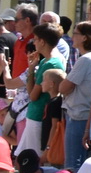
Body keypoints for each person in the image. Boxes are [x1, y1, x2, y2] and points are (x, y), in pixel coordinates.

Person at [58, 22, 91, 171]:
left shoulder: (86, 59)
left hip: (78, 115)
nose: (72, 37)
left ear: (84, 37)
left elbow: (64, 87)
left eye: (75, 33)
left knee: (73, 164)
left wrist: (63, 81)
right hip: (83, 114)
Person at [20, 24, 65, 158]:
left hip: (39, 116)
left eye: (35, 39)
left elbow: (33, 95)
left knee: (35, 157)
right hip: (35, 114)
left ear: (42, 41)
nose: (34, 42)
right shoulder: (45, 61)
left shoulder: (51, 63)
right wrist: (32, 68)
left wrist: (31, 72)